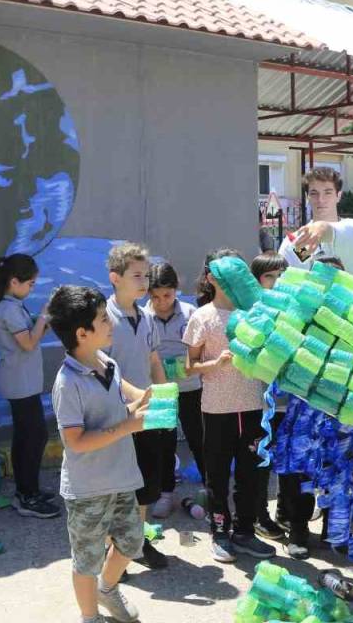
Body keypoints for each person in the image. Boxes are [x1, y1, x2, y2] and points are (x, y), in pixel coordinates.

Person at [47, 285, 153, 623]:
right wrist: (128, 427)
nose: (111, 324)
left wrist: (150, 401)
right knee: (87, 560)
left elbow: (123, 404)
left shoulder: (107, 362)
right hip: (88, 489)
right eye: (104, 320)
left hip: (122, 478)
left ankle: (108, 590)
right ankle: (89, 616)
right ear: (82, 333)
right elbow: (75, 441)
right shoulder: (67, 383)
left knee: (132, 541)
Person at [184, 249, 277, 563]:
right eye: (224, 274)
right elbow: (190, 366)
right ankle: (219, 532)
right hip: (216, 409)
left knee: (251, 474)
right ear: (212, 278)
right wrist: (216, 362)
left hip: (251, 406)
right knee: (218, 475)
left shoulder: (253, 311)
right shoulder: (202, 316)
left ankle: (245, 532)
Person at [103, 242, 170, 570]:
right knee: (116, 486)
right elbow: (99, 370)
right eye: (136, 275)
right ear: (115, 278)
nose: (144, 282)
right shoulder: (102, 317)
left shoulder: (146, 317)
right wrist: (132, 398)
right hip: (115, 416)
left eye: (147, 275)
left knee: (146, 483)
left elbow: (153, 360)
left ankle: (138, 542)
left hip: (148, 414)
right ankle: (112, 551)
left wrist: (164, 399)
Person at [0, 253, 59, 519]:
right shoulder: (7, 309)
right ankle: (27, 495)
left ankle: (27, 491)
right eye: (30, 284)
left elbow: (33, 336)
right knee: (34, 437)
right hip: (19, 384)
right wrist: (43, 316)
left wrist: (48, 320)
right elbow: (28, 343)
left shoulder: (12, 306)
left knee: (26, 437)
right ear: (14, 281)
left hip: (23, 382)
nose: (31, 289)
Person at [250, 252, 314, 558]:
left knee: (296, 469)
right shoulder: (252, 314)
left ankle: (296, 524)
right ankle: (260, 517)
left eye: (281, 277)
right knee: (261, 467)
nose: (276, 284)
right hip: (261, 407)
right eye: (269, 278)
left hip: (296, 407)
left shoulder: (302, 314)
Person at [145, 262, 205, 519]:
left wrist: (190, 365)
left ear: (176, 290)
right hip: (160, 391)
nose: (161, 302)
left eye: (167, 295)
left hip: (191, 387)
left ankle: (210, 487)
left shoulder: (191, 313)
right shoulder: (143, 317)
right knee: (163, 443)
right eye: (155, 297)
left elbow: (202, 347)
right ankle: (165, 492)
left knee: (198, 438)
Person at [279, 168, 342, 268]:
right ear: (307, 197)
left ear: (338, 196)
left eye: (328, 192)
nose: (320, 199)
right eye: (314, 193)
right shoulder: (293, 242)